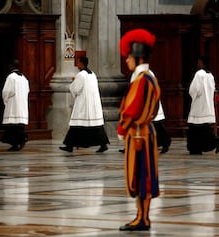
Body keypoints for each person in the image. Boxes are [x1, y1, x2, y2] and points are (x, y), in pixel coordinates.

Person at [117, 28, 160, 231]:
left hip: (139, 134)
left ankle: (142, 218)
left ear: (138, 57)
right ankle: (142, 216)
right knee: (144, 175)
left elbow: (131, 108)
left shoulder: (141, 80)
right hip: (146, 132)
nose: (126, 61)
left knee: (141, 175)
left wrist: (122, 127)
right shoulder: (150, 77)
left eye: (128, 57)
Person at [59, 56, 109, 153]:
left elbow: (76, 89)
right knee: (95, 125)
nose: (77, 64)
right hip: (93, 104)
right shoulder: (92, 74)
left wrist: (73, 83)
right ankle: (103, 144)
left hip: (84, 104)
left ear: (82, 63)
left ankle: (69, 146)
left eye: (78, 62)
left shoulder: (81, 75)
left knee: (76, 125)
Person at [187, 55, 219, 155]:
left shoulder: (199, 74)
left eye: (199, 61)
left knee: (195, 128)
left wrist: (192, 96)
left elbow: (194, 90)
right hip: (207, 105)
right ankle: (198, 147)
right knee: (203, 128)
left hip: (199, 105)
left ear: (202, 62)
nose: (198, 63)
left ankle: (212, 142)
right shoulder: (210, 75)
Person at [1, 59, 30, 151]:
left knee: (12, 125)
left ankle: (22, 138)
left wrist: (5, 100)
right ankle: (16, 144)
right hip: (22, 104)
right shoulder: (24, 78)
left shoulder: (11, 77)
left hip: (13, 104)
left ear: (11, 66)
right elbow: (28, 90)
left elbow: (7, 91)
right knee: (19, 125)